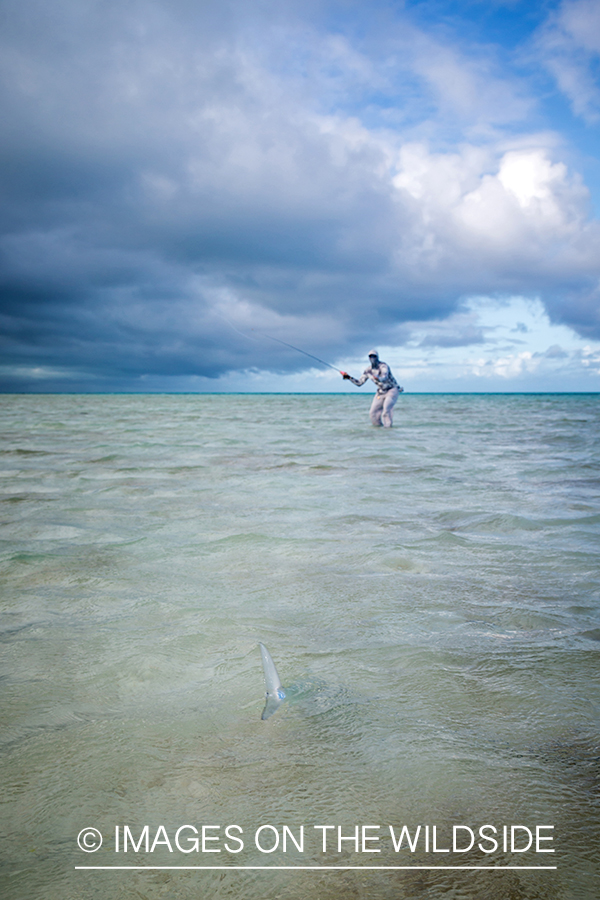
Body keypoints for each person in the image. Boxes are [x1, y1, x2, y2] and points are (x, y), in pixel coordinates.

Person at [342, 350, 403, 427]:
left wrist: (378, 378)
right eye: (370, 356)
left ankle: (388, 432)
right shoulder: (368, 370)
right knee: (373, 413)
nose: (372, 358)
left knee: (386, 411)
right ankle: (378, 433)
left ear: (377, 357)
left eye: (374, 356)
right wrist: (349, 377)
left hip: (392, 390)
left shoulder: (383, 366)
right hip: (380, 392)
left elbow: (384, 377)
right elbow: (359, 383)